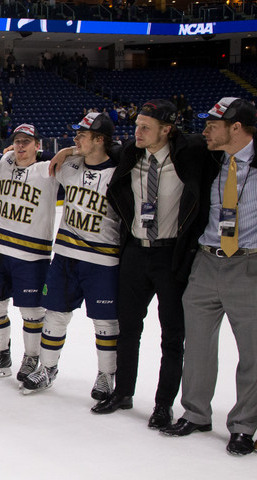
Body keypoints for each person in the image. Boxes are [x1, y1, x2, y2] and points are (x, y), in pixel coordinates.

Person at [93, 100, 217, 427]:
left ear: (167, 129)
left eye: (146, 127)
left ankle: (163, 404)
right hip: (135, 251)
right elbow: (93, 152)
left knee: (172, 335)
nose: (138, 132)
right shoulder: (130, 154)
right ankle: (123, 392)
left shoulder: (191, 156)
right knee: (127, 328)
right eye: (137, 126)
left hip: (170, 255)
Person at [163, 98, 257, 456]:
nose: (205, 129)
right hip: (205, 262)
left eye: (213, 124)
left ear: (236, 127)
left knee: (252, 353)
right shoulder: (208, 156)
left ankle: (244, 426)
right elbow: (149, 140)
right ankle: (196, 413)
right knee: (198, 346)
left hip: (249, 266)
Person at [23, 113, 120, 395]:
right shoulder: (70, 165)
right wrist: (68, 150)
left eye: (82, 135)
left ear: (100, 139)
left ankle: (106, 375)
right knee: (55, 313)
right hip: (66, 254)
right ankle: (48, 368)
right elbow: (28, 160)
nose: (75, 139)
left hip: (103, 258)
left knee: (105, 321)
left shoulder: (120, 171)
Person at [0, 124, 58, 381]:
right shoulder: (5, 162)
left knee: (32, 312)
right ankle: (1, 353)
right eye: (17, 141)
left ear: (38, 145)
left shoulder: (49, 170)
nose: (21, 146)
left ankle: (32, 357)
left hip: (31, 253)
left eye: (27, 141)